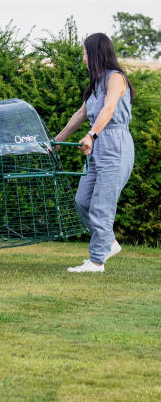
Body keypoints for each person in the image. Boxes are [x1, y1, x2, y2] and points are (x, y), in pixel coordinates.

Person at [55, 32, 135, 273]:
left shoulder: (116, 79)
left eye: (85, 53)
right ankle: (108, 243)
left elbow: (110, 108)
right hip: (97, 146)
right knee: (82, 202)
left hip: (115, 144)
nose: (83, 58)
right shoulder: (96, 83)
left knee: (102, 205)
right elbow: (80, 115)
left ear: (96, 54)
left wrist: (92, 134)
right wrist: (57, 140)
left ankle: (97, 261)